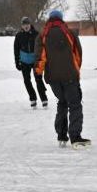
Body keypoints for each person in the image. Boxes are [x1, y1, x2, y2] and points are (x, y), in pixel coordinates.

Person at [36, 10, 89, 148]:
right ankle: (75, 137)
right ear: (61, 19)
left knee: (62, 102)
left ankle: (61, 135)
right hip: (69, 76)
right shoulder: (69, 32)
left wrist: (38, 73)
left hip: (53, 78)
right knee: (75, 104)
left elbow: (40, 57)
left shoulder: (43, 34)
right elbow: (78, 53)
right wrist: (76, 70)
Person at [14, 16, 49, 108]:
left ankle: (44, 99)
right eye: (24, 25)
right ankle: (33, 98)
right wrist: (17, 62)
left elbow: (42, 48)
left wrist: (42, 60)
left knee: (38, 79)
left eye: (27, 24)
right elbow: (16, 50)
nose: (26, 26)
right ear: (21, 26)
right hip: (24, 62)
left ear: (30, 24)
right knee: (27, 81)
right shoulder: (19, 35)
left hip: (35, 61)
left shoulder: (36, 34)